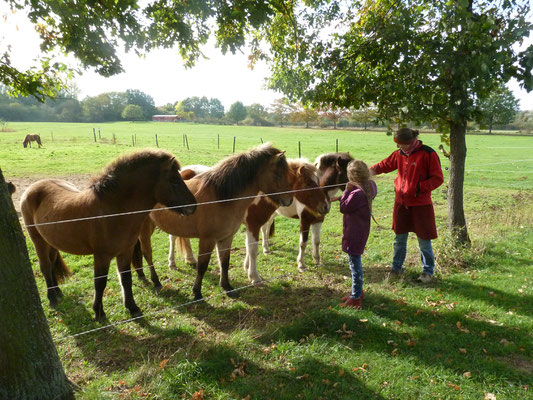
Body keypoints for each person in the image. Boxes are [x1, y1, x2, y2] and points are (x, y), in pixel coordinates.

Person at [370, 127, 444, 283]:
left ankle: (427, 272)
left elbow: (438, 179)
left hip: (421, 205)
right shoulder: (399, 154)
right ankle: (396, 268)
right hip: (401, 204)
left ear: (411, 142)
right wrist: (366, 172)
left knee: (424, 240)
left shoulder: (428, 154)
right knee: (399, 239)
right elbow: (384, 165)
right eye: (397, 144)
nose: (398, 147)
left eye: (401, 144)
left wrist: (418, 188)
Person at [331, 159, 377, 309]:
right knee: (355, 263)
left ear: (351, 176)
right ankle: (357, 291)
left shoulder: (356, 193)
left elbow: (345, 207)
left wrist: (346, 191)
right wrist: (340, 197)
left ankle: (356, 297)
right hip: (362, 230)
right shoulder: (370, 186)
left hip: (353, 233)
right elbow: (355, 201)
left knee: (354, 265)